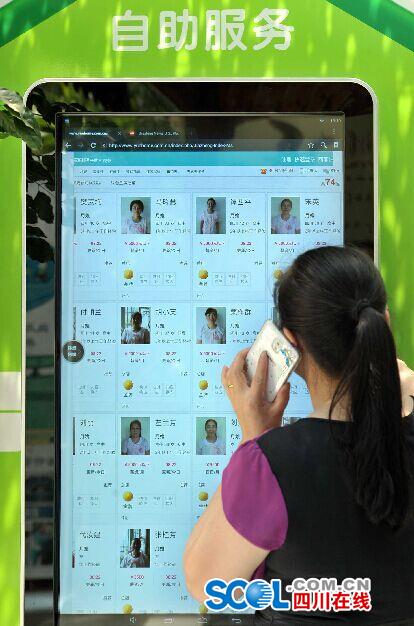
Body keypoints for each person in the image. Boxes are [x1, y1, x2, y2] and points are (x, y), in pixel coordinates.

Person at [184, 246, 414, 624]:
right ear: (384, 322)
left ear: (291, 343)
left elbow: (206, 582)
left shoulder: (272, 464)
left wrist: (253, 437)